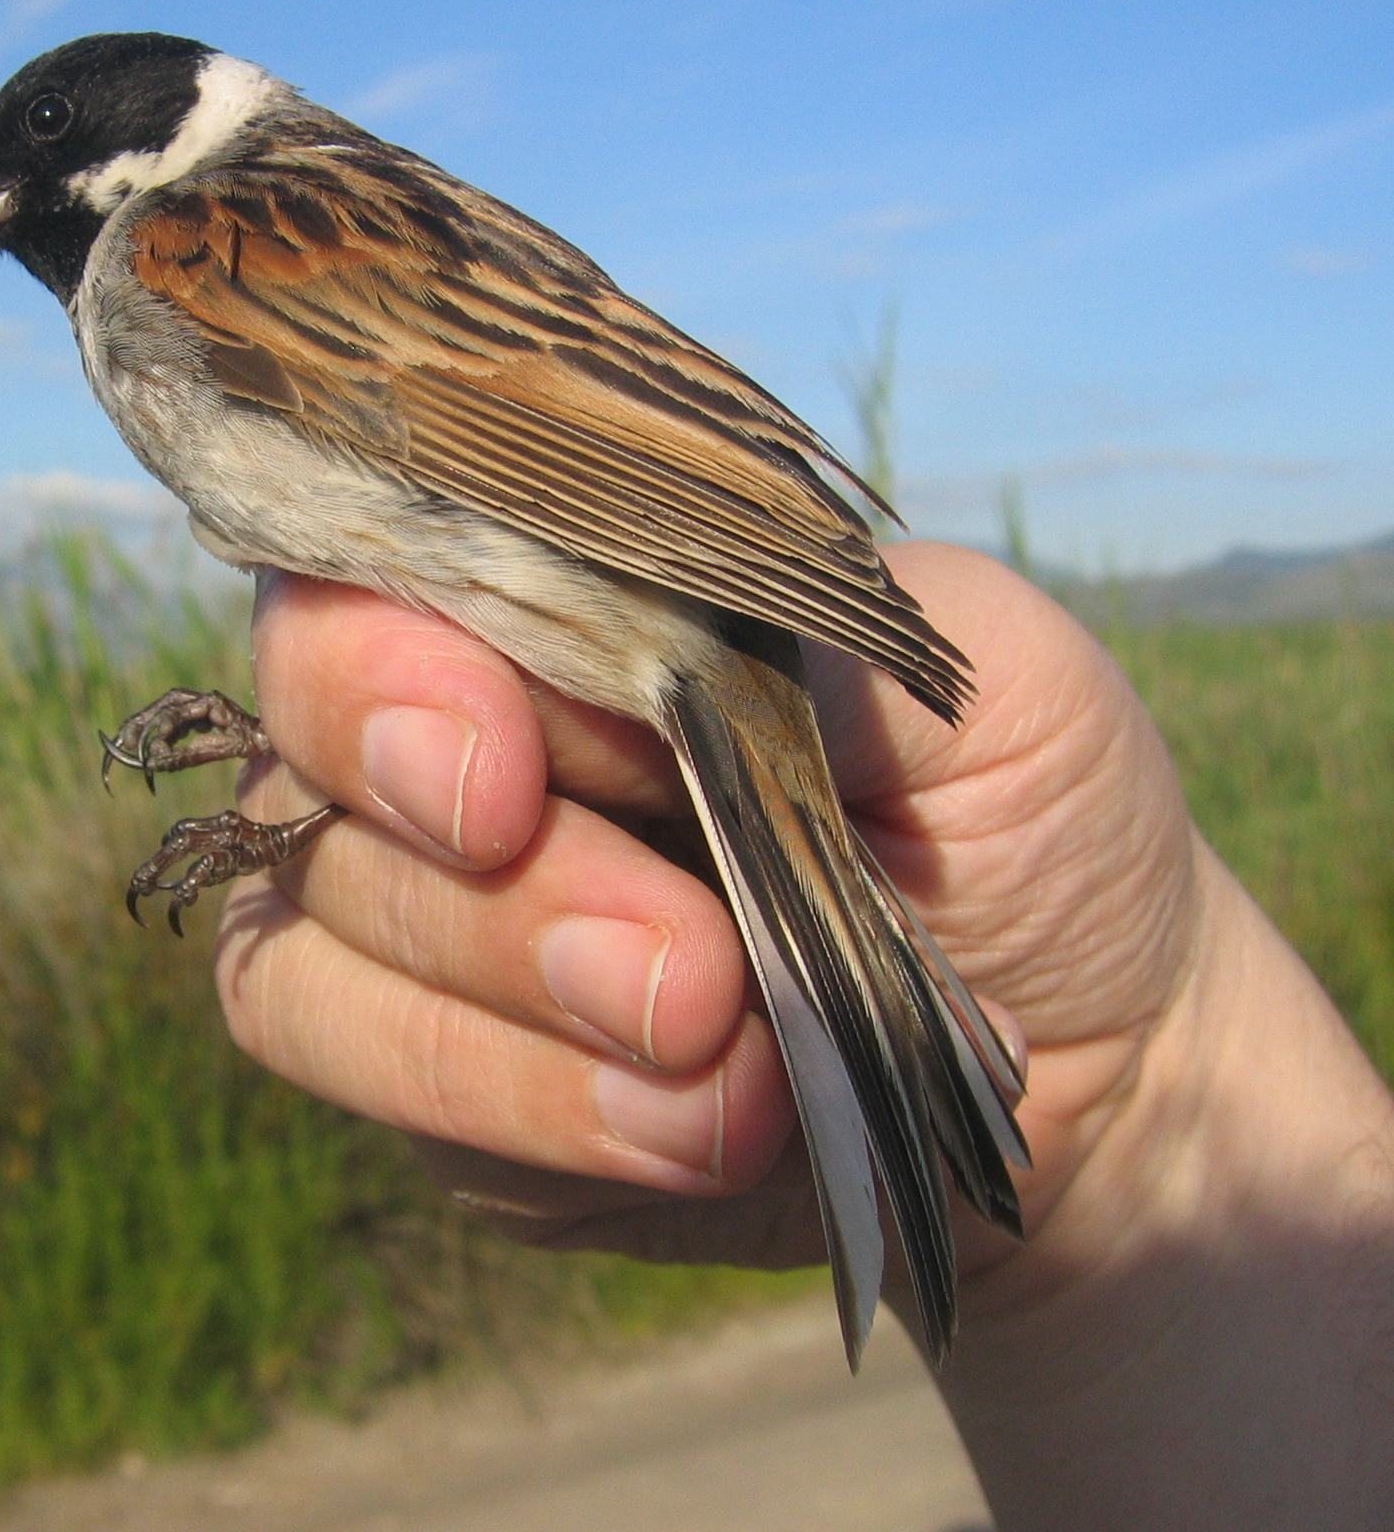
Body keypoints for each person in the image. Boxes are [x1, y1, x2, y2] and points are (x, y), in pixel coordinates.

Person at [208, 542, 1394, 1530]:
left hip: (647, 569)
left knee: (454, 746)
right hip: (636, 579)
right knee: (443, 747)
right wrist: (1128, 1145)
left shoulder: (187, 258)